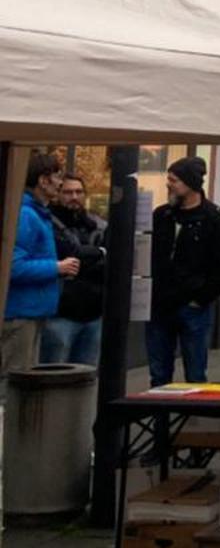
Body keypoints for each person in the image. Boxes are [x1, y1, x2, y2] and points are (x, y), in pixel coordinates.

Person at [147, 156, 220, 386]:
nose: (168, 184)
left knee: (195, 375)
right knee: (158, 375)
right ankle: (160, 421)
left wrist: (201, 297)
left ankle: (192, 421)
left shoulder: (215, 219)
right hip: (160, 305)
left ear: (191, 183)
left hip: (193, 307)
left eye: (174, 180)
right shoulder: (162, 216)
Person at [3, 152, 78, 384]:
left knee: (22, 379)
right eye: (56, 176)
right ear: (42, 180)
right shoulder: (26, 214)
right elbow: (13, 266)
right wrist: (57, 267)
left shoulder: (36, 213)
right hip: (20, 312)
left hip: (32, 311)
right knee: (14, 382)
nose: (60, 183)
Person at [40, 171, 107, 366]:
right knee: (53, 372)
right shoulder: (48, 222)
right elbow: (67, 252)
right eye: (68, 192)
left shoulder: (96, 224)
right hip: (60, 313)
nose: (74, 197)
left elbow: (107, 258)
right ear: (58, 194)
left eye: (79, 192)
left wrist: (88, 256)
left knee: (86, 375)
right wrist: (97, 253)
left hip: (93, 313)